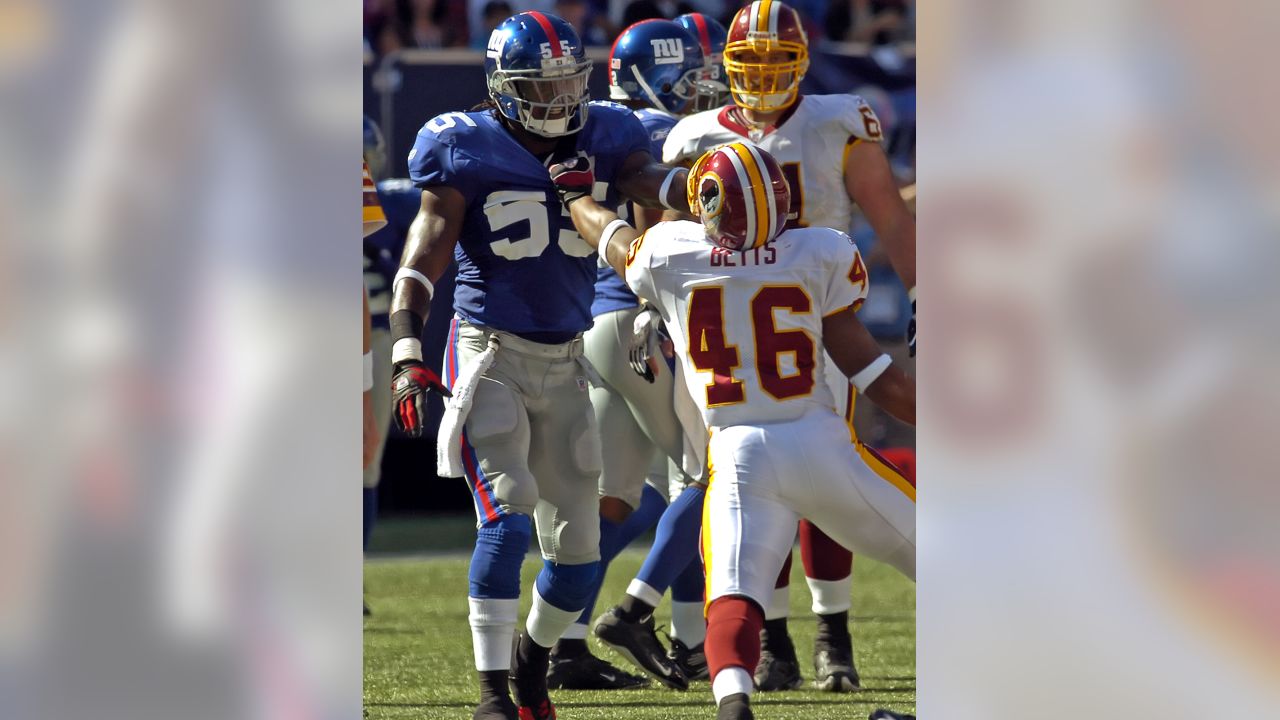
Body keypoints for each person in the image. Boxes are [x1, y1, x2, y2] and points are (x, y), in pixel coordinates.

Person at [388, 12, 695, 720]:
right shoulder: (463, 146)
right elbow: (422, 256)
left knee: (580, 557)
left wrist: (699, 185)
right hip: (488, 353)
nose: (560, 100)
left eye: (568, 83)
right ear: (502, 88)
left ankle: (531, 661)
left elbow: (647, 178)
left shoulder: (605, 134)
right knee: (507, 516)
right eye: (541, 86)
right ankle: (493, 692)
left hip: (566, 361)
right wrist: (408, 354)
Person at [548, 140, 916, 720]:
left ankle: (733, 704)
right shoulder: (820, 251)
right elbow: (878, 381)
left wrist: (574, 196)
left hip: (740, 454)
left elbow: (613, 239)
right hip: (821, 443)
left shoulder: (673, 253)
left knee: (733, 596)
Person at [660, 0, 918, 692]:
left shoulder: (836, 121)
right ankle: (775, 641)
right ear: (729, 68)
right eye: (753, 64)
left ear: (803, 64)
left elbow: (889, 213)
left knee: (814, 474)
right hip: (735, 320)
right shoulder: (693, 136)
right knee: (762, 487)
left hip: (823, 316)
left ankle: (832, 633)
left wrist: (925, 296)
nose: (766, 78)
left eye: (780, 63)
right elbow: (672, 242)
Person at [547, 18, 710, 691]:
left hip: (600, 322)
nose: (700, 87)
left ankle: (561, 642)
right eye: (689, 75)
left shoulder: (607, 124)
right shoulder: (651, 132)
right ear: (654, 73)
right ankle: (655, 620)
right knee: (711, 476)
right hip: (642, 320)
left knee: (612, 502)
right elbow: (655, 232)